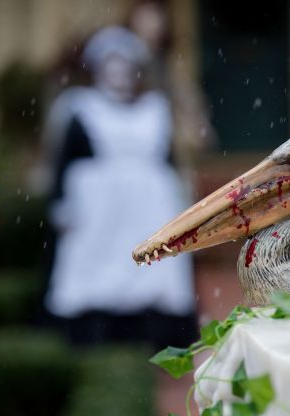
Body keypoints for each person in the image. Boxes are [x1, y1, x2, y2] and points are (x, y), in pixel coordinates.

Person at [44, 26, 197, 348]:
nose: (118, 74)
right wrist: (61, 203)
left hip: (148, 207)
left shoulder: (155, 109)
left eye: (125, 66)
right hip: (99, 211)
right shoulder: (80, 107)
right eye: (110, 66)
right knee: (96, 270)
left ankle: (151, 335)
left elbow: (169, 156)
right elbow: (64, 160)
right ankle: (93, 336)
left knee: (151, 268)